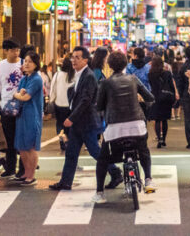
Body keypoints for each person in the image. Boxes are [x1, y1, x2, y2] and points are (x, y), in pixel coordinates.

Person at [51, 46, 123, 191]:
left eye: (77, 57)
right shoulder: (78, 74)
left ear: (85, 60)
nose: (74, 60)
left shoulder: (88, 76)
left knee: (95, 151)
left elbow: (86, 100)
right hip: (79, 122)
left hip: (87, 121)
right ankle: (65, 182)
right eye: (73, 57)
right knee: (71, 152)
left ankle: (115, 172)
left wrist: (71, 117)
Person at [92, 50, 156, 203]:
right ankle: (148, 179)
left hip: (115, 128)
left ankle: (100, 193)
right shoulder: (133, 79)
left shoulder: (106, 83)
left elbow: (99, 105)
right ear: (125, 64)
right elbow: (150, 97)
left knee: (103, 158)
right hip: (137, 125)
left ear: (110, 65)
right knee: (144, 150)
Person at [0, 38, 24, 179]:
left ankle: (23, 169)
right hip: (5, 106)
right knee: (9, 140)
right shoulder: (0, 66)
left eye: (17, 50)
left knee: (22, 139)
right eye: (12, 50)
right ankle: (10, 168)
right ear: (5, 51)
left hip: (22, 106)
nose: (16, 52)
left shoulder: (24, 63)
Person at [12, 50, 43, 186]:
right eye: (25, 61)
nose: (27, 64)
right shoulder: (25, 78)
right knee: (22, 147)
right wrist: (19, 94)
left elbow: (24, 96)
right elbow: (21, 93)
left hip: (32, 115)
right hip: (22, 115)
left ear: (36, 64)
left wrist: (16, 95)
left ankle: (31, 175)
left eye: (30, 61)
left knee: (30, 146)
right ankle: (25, 173)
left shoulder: (36, 79)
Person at [148, 55, 177, 147]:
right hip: (165, 98)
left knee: (157, 120)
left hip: (155, 98)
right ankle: (163, 139)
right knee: (164, 120)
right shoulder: (167, 73)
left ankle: (159, 139)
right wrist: (173, 97)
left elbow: (150, 87)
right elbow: (171, 86)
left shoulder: (150, 74)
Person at [176, 45, 190, 149]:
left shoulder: (183, 67)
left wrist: (180, 96)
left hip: (186, 95)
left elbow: (179, 83)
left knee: (188, 119)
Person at [51, 56, 74, 149]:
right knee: (69, 124)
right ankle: (69, 140)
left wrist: (52, 99)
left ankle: (62, 140)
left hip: (59, 104)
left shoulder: (57, 75)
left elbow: (53, 88)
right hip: (70, 105)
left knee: (60, 123)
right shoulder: (74, 76)